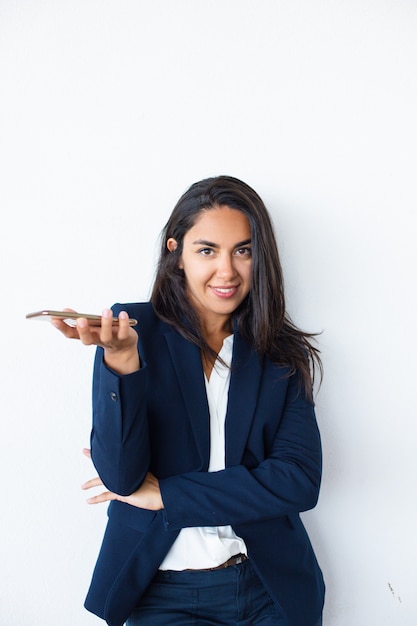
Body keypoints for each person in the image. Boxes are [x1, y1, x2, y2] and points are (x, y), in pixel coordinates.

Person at [53, 175, 325, 626]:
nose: (227, 271)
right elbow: (122, 478)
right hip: (164, 594)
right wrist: (122, 362)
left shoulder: (278, 351)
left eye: (243, 249)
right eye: (207, 250)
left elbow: (298, 481)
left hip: (269, 590)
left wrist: (170, 494)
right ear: (176, 254)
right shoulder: (133, 332)